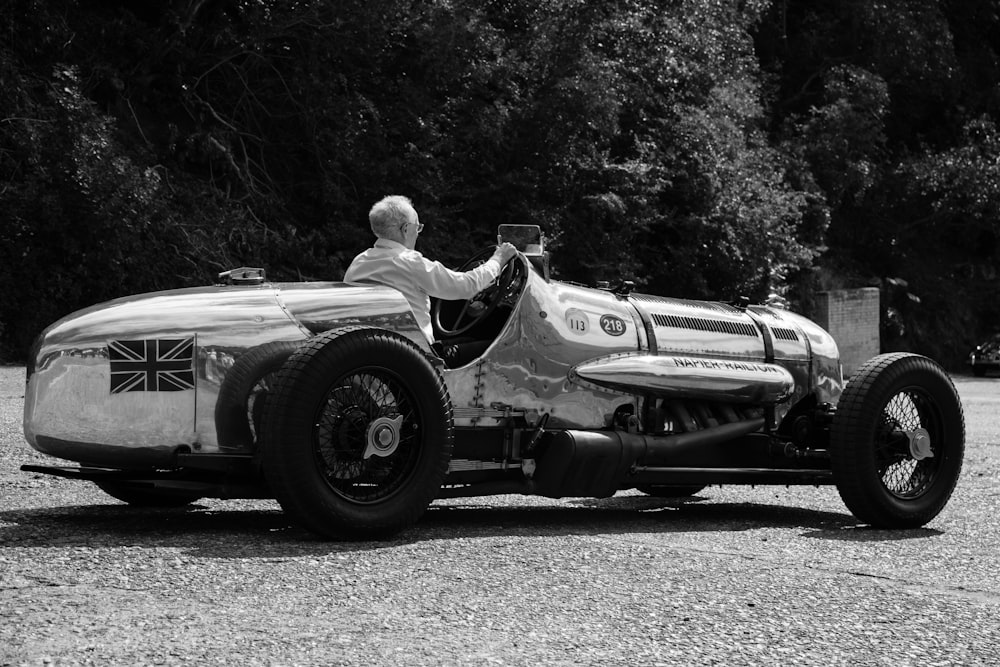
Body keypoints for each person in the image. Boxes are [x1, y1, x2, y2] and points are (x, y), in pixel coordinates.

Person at [344, 195, 518, 350]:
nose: (418, 233)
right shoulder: (410, 263)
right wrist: (499, 259)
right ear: (406, 229)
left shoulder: (359, 262)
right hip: (415, 355)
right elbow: (467, 286)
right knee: (497, 346)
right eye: (417, 227)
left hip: (367, 351)